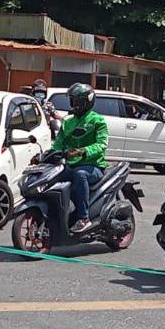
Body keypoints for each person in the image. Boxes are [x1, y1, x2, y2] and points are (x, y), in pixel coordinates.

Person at [51, 83, 109, 233]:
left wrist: (82, 151)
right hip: (70, 165)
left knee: (80, 174)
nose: (74, 104)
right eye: (72, 101)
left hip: (94, 166)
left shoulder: (98, 121)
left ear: (86, 102)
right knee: (51, 175)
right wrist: (44, 156)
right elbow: (57, 145)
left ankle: (84, 218)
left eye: (77, 101)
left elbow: (102, 144)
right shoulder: (68, 122)